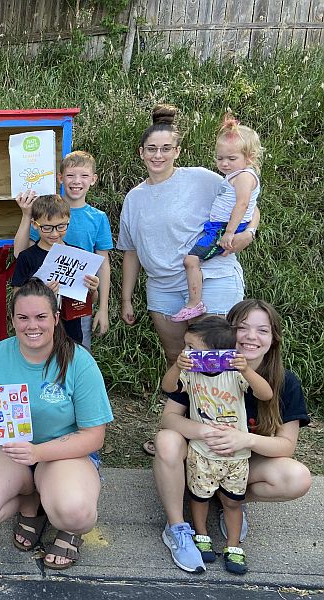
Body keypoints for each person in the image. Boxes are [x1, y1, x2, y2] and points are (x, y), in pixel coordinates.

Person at [117, 104, 259, 457]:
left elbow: (248, 200)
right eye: (152, 149)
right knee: (178, 358)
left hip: (212, 277)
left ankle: (233, 435)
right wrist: (126, 299)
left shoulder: (202, 178)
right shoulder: (134, 198)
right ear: (141, 153)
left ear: (177, 151)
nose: (158, 155)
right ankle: (182, 432)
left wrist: (249, 232)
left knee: (223, 357)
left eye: (166, 148)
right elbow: (130, 252)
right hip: (162, 287)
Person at [0, 278, 113, 570]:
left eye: (41, 317)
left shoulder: (80, 362)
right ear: (13, 320)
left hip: (64, 453)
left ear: (55, 318)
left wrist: (39, 454)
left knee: (75, 513)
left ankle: (66, 526)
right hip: (10, 450)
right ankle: (32, 500)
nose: (32, 325)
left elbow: (94, 437)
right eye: (23, 317)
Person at [154, 299, 311, 574]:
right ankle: (176, 526)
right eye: (243, 328)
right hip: (198, 455)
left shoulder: (283, 380)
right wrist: (202, 430)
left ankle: (230, 500)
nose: (251, 337)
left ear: (273, 339)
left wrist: (244, 439)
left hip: (241, 460)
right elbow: (168, 419)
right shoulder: (198, 366)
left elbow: (286, 445)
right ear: (227, 332)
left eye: (262, 330)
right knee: (166, 440)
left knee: (297, 477)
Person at [161, 316, 272, 574]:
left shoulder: (235, 374)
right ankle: (201, 535)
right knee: (199, 497)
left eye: (192, 348)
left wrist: (245, 369)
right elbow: (168, 387)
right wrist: (177, 367)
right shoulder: (190, 372)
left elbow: (265, 394)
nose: (186, 352)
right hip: (201, 451)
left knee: (233, 501)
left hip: (236, 454)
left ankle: (234, 545)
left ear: (218, 353)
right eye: (185, 347)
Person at [13, 151, 113, 350]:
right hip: (42, 305)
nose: (77, 181)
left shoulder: (98, 218)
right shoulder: (48, 210)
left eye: (84, 176)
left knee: (78, 351)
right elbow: (20, 253)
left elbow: (103, 266)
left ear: (93, 179)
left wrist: (103, 308)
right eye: (70, 175)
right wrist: (26, 215)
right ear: (60, 178)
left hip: (77, 304)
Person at [173, 115, 262, 322]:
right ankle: (195, 302)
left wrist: (230, 232)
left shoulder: (244, 176)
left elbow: (243, 204)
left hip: (224, 229)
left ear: (249, 157)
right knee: (192, 260)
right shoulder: (234, 175)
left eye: (231, 159)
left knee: (191, 260)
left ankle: (195, 303)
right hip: (218, 227)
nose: (224, 163)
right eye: (220, 158)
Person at [10, 194, 100, 346]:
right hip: (38, 334)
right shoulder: (27, 257)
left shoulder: (77, 254)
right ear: (34, 224)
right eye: (47, 228)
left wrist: (93, 290)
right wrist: (42, 294)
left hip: (71, 335)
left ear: (68, 222)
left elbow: (90, 301)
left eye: (61, 226)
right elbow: (16, 299)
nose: (54, 233)